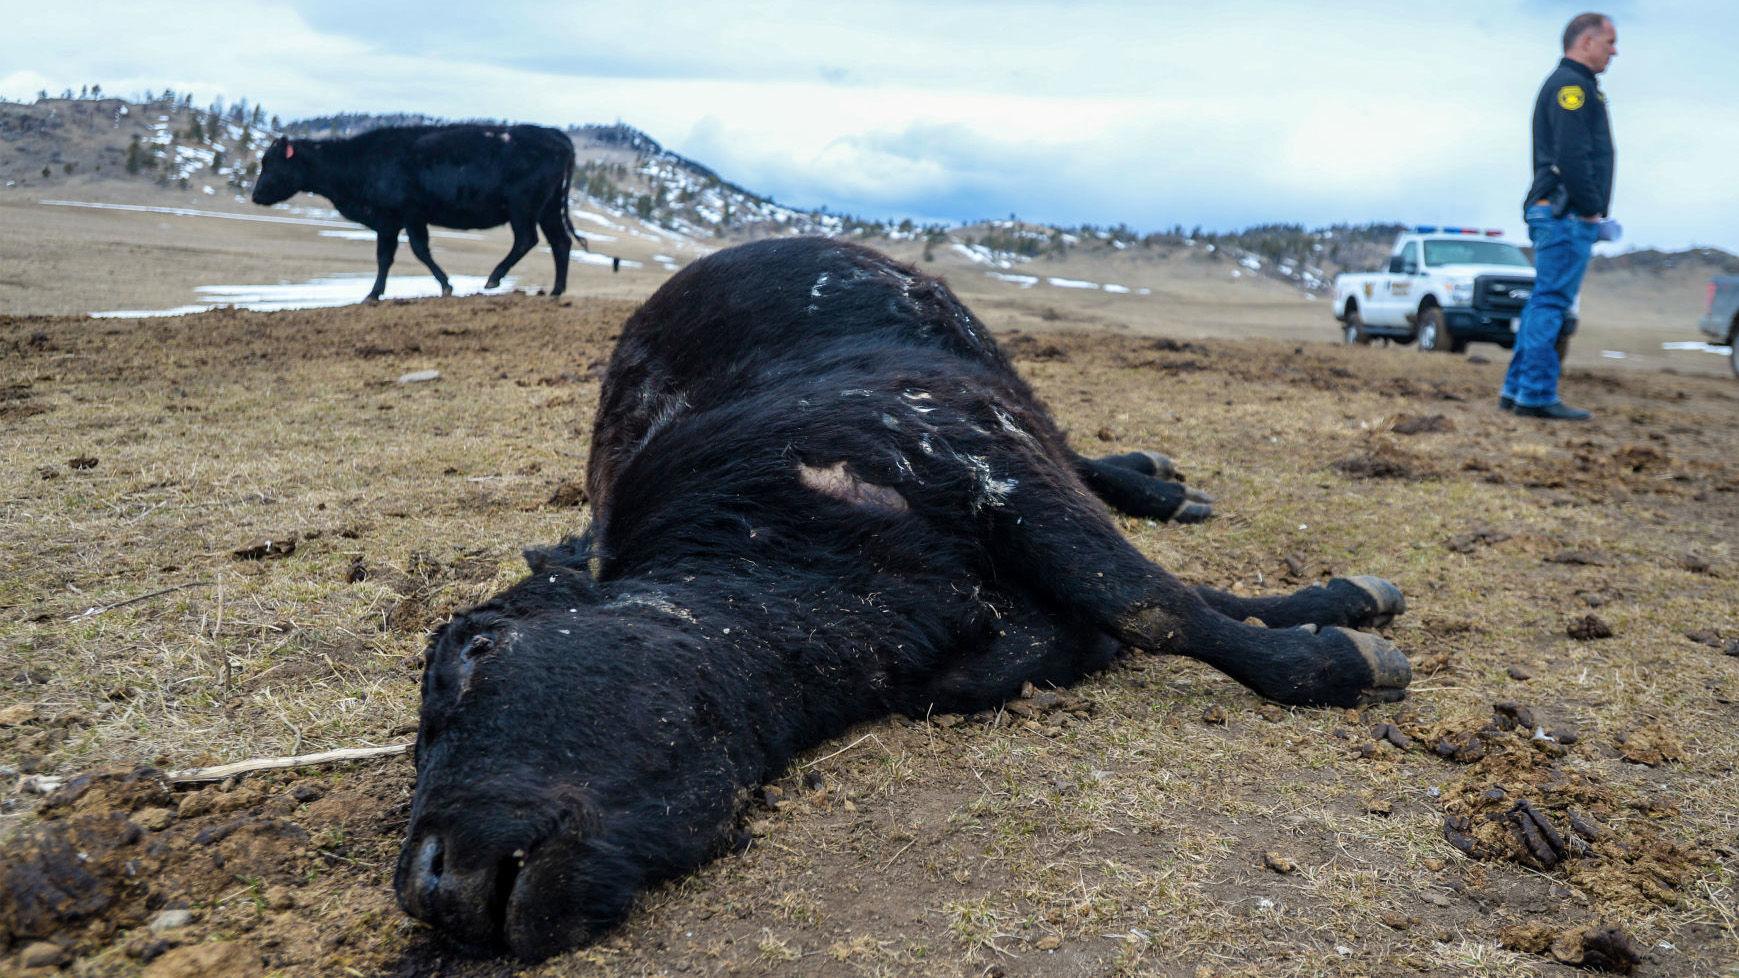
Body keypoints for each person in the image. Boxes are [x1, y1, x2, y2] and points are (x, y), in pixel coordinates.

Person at [1501, 12, 1617, 421]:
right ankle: (1534, 393)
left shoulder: (1577, 86)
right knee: (1551, 303)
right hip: (1565, 212)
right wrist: (1589, 209)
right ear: (1585, 42)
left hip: (1557, 209)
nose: (1614, 50)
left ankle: (1516, 389)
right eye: (1609, 42)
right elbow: (1571, 154)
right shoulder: (1572, 87)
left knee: (1542, 301)